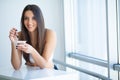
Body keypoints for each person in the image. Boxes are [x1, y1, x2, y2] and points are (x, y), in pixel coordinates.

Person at [9, 4, 57, 70]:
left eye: (34, 18)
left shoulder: (50, 34)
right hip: (32, 74)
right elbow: (16, 67)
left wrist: (32, 50)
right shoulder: (20, 35)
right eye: (26, 18)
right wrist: (13, 43)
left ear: (39, 19)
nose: (29, 22)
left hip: (50, 73)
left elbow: (43, 65)